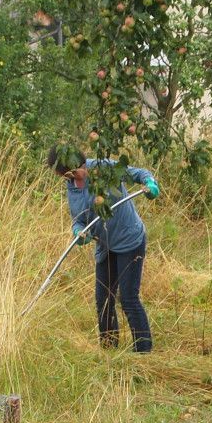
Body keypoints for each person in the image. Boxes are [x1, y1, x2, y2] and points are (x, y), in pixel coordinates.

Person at [48, 146, 158, 353]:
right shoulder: (71, 187)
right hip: (106, 247)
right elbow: (78, 219)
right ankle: (109, 350)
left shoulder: (103, 168)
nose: (73, 177)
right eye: (66, 176)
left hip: (129, 241)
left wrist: (150, 184)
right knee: (104, 300)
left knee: (128, 299)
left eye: (75, 172)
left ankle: (143, 353)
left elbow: (138, 173)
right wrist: (79, 232)